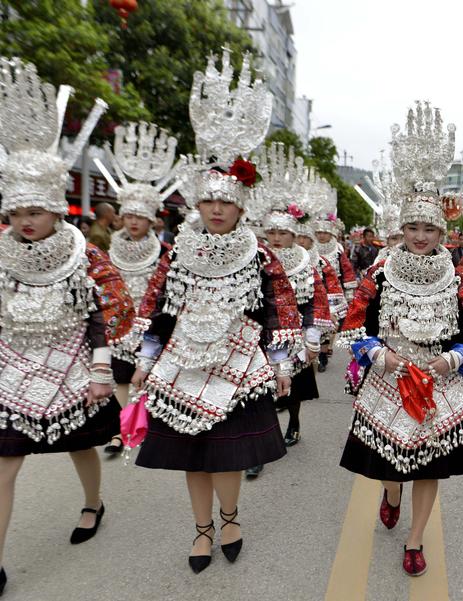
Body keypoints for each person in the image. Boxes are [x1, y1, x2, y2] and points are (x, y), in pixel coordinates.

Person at [129, 52, 301, 574]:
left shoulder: (260, 252)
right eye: (209, 204)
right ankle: (201, 529)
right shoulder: (177, 250)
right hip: (183, 362)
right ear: (198, 207)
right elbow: (158, 308)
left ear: (241, 208)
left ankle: (231, 519)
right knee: (190, 455)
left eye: (226, 204)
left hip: (240, 361)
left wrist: (282, 364)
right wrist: (145, 358)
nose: (217, 210)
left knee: (226, 454)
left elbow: (280, 310)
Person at [0, 58, 134, 595]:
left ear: (56, 210)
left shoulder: (85, 254)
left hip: (73, 367)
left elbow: (107, 312)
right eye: (16, 213)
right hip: (12, 367)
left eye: (35, 210)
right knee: (5, 463)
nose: (25, 221)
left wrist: (101, 369)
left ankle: (93, 502)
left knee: (81, 446)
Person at [337, 102, 463, 577]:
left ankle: (416, 538)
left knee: (430, 467)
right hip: (388, 380)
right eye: (413, 227)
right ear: (400, 229)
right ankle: (389, 489)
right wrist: (378, 355)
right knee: (389, 463)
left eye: (429, 228)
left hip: (437, 383)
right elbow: (353, 328)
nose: (420, 236)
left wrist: (453, 361)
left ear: (443, 231)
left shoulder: (457, 277)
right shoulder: (379, 273)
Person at [246, 151, 334, 477]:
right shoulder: (254, 257)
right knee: (261, 390)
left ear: (295, 235)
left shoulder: (304, 261)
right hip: (261, 334)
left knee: (293, 388)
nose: (278, 238)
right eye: (273, 233)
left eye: (284, 233)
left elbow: (314, 298)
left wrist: (312, 334)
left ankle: (294, 422)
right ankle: (259, 448)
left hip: (295, 332)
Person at [96, 121, 179, 456]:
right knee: (119, 376)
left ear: (151, 221)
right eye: (128, 216)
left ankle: (146, 419)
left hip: (152, 321)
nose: (133, 222)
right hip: (118, 321)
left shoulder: (164, 252)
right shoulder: (109, 249)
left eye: (139, 217)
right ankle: (120, 428)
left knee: (145, 374)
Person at [314, 213, 356, 371]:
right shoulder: (310, 248)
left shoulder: (337, 249)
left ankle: (323, 356)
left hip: (332, 290)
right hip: (313, 291)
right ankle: (316, 351)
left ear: (330, 233)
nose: (321, 235)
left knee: (329, 324)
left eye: (324, 232)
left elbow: (346, 269)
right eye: (319, 233)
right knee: (316, 323)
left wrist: (350, 291)